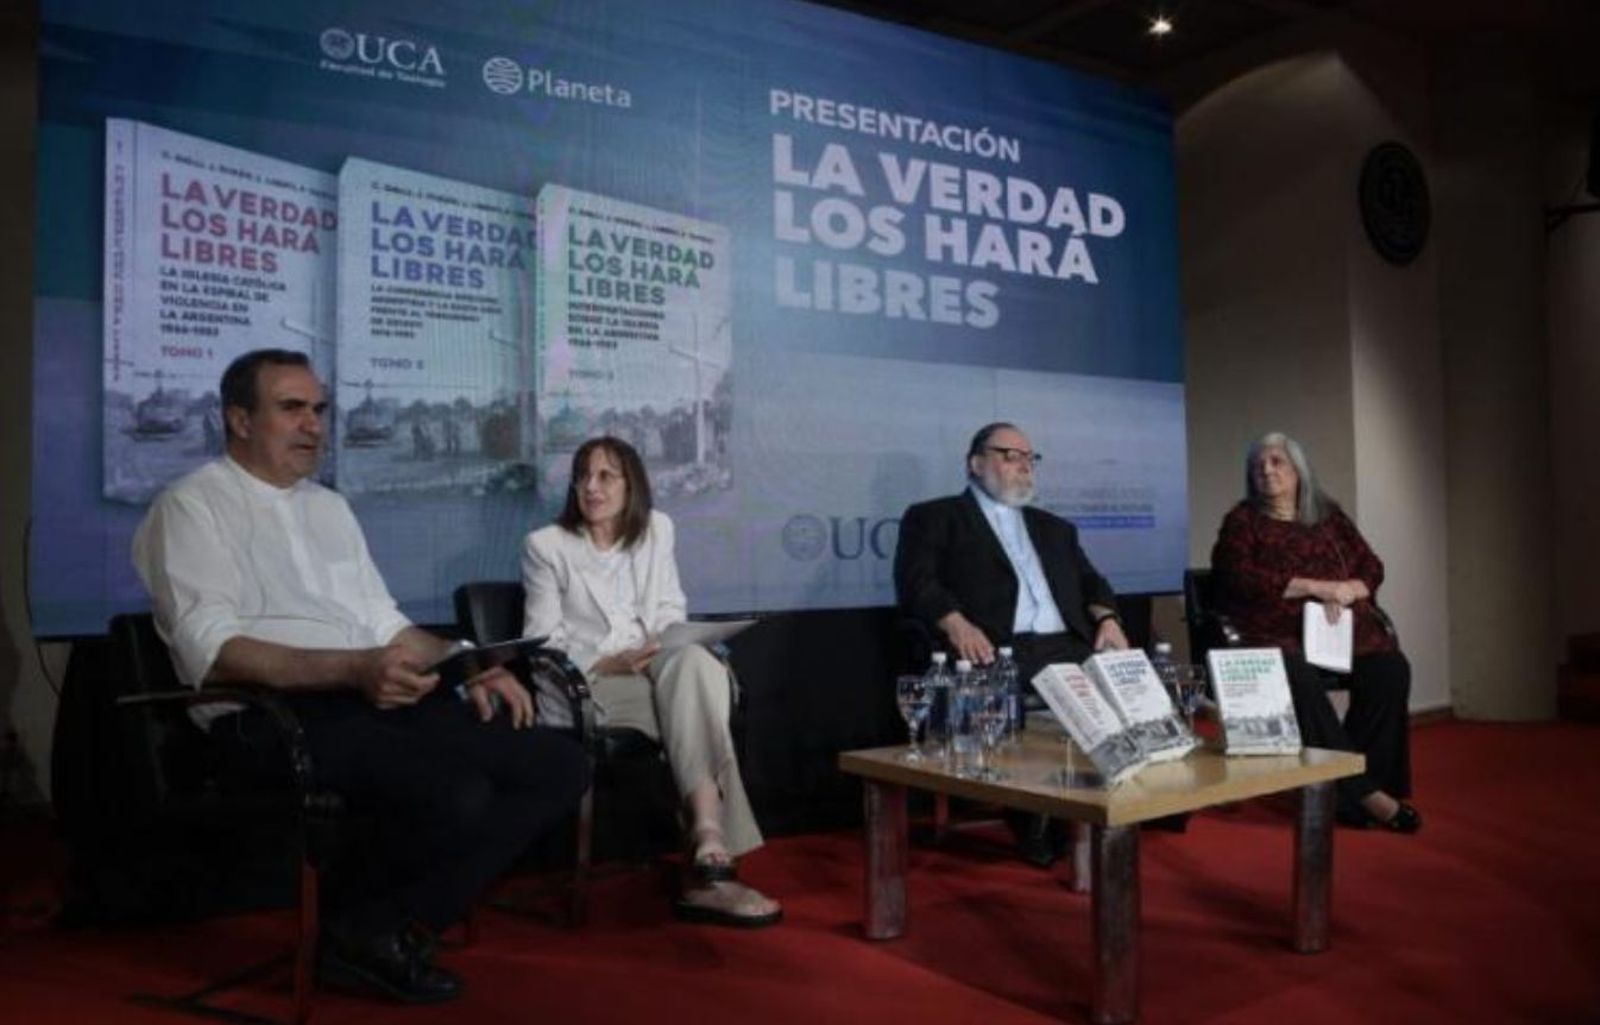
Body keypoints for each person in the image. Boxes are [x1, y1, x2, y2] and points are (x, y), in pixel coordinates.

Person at [132, 349, 590, 1004]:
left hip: (367, 699)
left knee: (557, 764)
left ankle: (374, 926)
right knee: (453, 789)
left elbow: (384, 622)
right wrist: (353, 668)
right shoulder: (191, 506)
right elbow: (215, 649)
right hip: (267, 717)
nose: (313, 425)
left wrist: (464, 666)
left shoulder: (329, 508)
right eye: (292, 408)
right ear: (238, 418)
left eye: (319, 409)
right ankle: (372, 931)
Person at [520, 436, 781, 928]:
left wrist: (664, 643)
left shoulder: (657, 530)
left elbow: (668, 609)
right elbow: (543, 643)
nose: (590, 488)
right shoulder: (546, 547)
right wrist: (607, 661)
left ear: (631, 484)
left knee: (695, 664)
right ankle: (712, 864)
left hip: (655, 667)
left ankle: (707, 836)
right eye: (583, 476)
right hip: (589, 683)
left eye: (605, 476)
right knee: (700, 697)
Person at [894, 422, 1131, 864]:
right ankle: (1037, 816)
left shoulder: (1054, 528)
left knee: (1134, 688)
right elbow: (916, 583)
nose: (1024, 465)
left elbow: (1092, 582)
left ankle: (1125, 809)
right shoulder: (936, 516)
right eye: (1010, 455)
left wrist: (1109, 617)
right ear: (975, 463)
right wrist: (955, 622)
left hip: (1066, 647)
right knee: (1011, 698)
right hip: (997, 648)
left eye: (1029, 457)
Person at [1210, 431, 1421, 833]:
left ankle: (1351, 790)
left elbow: (1371, 566)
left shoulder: (1328, 516)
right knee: (1297, 676)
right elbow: (1237, 579)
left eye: (1277, 463)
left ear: (1299, 470)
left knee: (1389, 668)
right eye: (1258, 466)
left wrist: (1351, 589)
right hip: (1272, 632)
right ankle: (1366, 795)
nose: (1266, 472)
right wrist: (1314, 586)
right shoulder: (1243, 521)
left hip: (1334, 630)